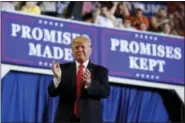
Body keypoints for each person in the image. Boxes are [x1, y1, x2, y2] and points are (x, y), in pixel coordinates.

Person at [48, 36, 110, 123]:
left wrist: (89, 83)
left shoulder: (100, 71)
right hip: (65, 118)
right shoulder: (63, 69)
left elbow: (105, 92)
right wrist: (57, 78)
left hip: (90, 119)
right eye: (76, 47)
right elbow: (52, 92)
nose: (79, 50)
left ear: (90, 50)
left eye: (83, 47)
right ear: (72, 51)